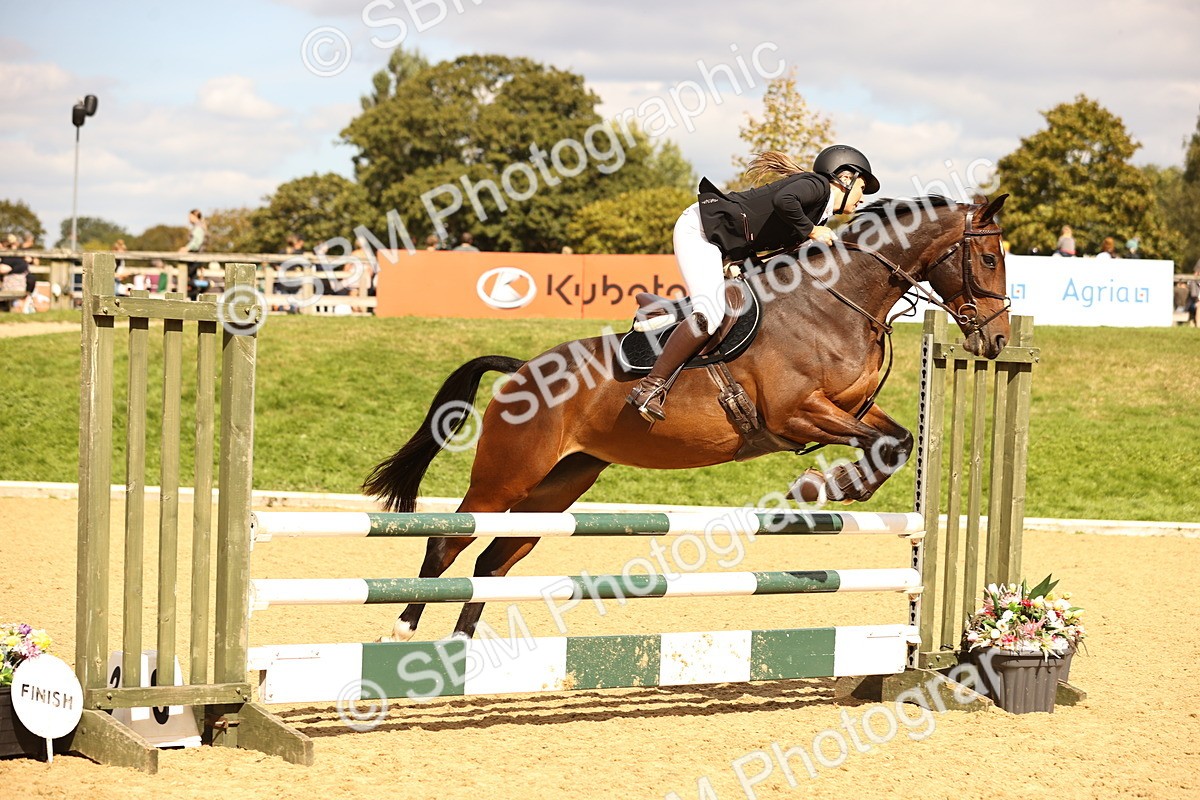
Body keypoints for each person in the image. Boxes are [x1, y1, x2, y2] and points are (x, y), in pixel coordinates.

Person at [626, 144, 880, 422]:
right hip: (700, 232)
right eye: (862, 188)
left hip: (725, 245)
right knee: (710, 315)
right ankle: (649, 388)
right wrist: (811, 231)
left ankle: (664, 310)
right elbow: (785, 200)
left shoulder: (820, 211)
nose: (862, 198)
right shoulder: (817, 185)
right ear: (844, 179)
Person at [178, 209, 208, 299]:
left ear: (194, 216)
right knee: (192, 278)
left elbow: (196, 242)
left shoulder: (198, 227)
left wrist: (186, 248)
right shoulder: (198, 226)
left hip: (195, 256)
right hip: (196, 256)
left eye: (190, 216)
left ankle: (206, 284)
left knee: (184, 277)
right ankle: (194, 298)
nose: (188, 219)